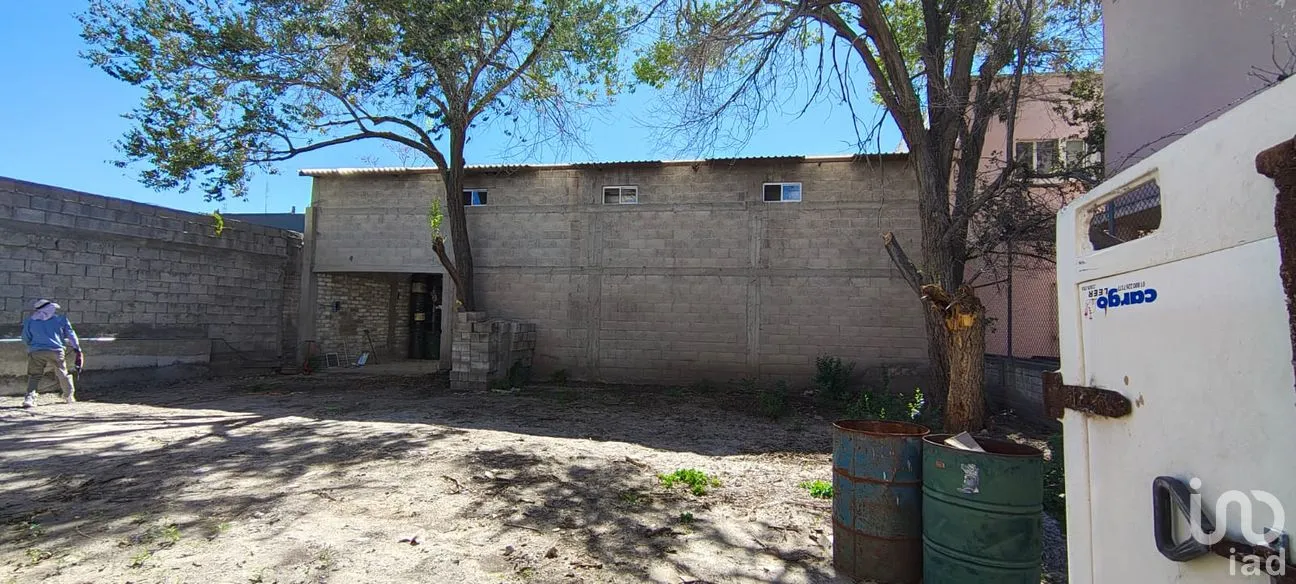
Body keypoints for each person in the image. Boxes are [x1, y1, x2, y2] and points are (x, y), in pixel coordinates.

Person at [20, 299, 83, 408]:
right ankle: (69, 396)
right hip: (56, 351)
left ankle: (30, 398)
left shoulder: (30, 321)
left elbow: (25, 337)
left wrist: (31, 346)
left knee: (34, 375)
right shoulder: (61, 319)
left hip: (36, 351)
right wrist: (77, 348)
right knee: (62, 373)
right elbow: (71, 334)